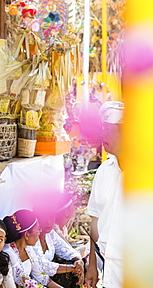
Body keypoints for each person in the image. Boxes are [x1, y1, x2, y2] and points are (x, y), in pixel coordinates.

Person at [85, 101, 124, 288]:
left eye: (108, 130)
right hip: (106, 264)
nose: (103, 135)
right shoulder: (104, 171)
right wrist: (92, 264)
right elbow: (95, 220)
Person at [3, 209, 63, 288]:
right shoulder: (8, 252)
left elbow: (41, 276)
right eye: (38, 229)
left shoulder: (28, 249)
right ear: (27, 235)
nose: (39, 232)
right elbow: (24, 281)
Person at [33, 195, 84, 288]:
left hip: (49, 277)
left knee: (81, 265)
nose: (49, 222)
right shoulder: (31, 238)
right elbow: (42, 265)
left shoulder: (50, 233)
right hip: (36, 280)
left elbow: (66, 249)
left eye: (51, 218)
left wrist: (78, 261)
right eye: (44, 218)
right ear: (37, 219)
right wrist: (72, 268)